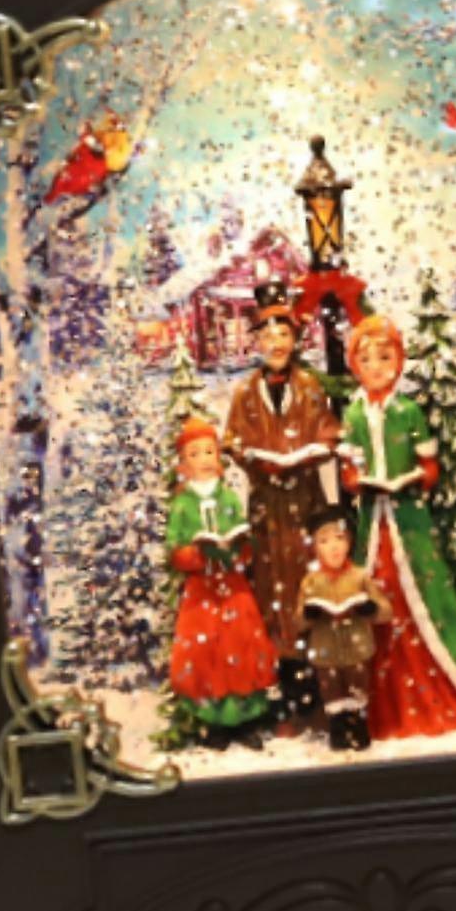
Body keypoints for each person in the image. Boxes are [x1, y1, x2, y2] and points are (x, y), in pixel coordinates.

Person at [338, 314, 456, 739]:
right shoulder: (354, 413)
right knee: (375, 600)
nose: (376, 367)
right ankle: (382, 704)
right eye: (367, 359)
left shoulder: (408, 411)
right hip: (373, 524)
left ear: (399, 361)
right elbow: (349, 470)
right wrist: (359, 481)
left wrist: (412, 479)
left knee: (426, 597)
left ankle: (444, 689)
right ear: (355, 366)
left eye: (385, 357)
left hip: (409, 522)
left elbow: (430, 468)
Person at [222, 278, 341, 724]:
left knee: (310, 584)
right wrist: (254, 458)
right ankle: (284, 686)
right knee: (271, 588)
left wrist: (307, 454)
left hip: (306, 503)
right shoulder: (245, 392)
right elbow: (232, 439)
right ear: (255, 341)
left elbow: (328, 433)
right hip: (267, 509)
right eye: (267, 334)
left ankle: (320, 685)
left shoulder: (309, 387)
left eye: (283, 333)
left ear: (295, 339)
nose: (276, 343)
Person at [164, 417, 279, 750]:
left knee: (240, 644)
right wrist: (194, 554)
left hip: (233, 585)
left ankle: (245, 717)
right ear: (183, 464)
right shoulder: (182, 504)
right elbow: (174, 546)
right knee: (207, 650)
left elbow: (241, 531)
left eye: (209, 451)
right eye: (194, 453)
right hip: (202, 590)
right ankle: (214, 720)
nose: (203, 459)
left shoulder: (228, 497)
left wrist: (240, 549)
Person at [297, 504, 393, 752]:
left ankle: (358, 724)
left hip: (357, 647)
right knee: (331, 688)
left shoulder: (360, 576)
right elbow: (297, 621)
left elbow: (386, 610)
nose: (334, 547)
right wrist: (309, 614)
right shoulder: (311, 581)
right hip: (325, 650)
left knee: (357, 684)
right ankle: (338, 727)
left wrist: (371, 609)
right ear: (314, 547)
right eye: (324, 541)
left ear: (349, 541)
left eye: (339, 538)